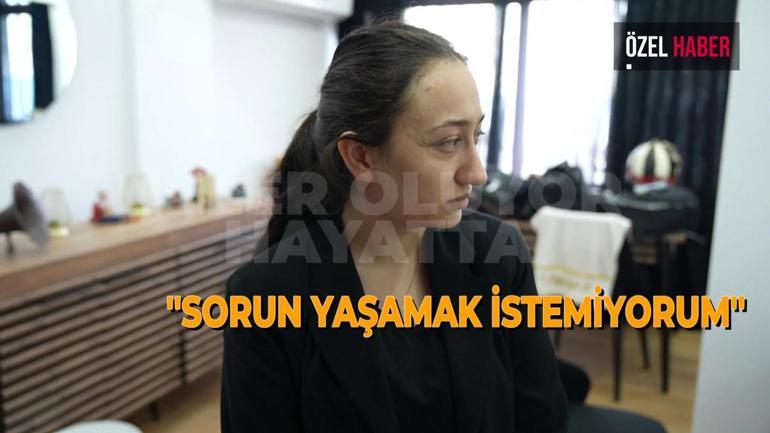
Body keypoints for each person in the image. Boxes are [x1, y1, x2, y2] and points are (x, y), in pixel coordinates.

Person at [221, 20, 567, 433]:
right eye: (449, 142)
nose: (477, 173)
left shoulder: (497, 257)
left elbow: (542, 419)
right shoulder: (264, 296)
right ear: (361, 157)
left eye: (476, 136)